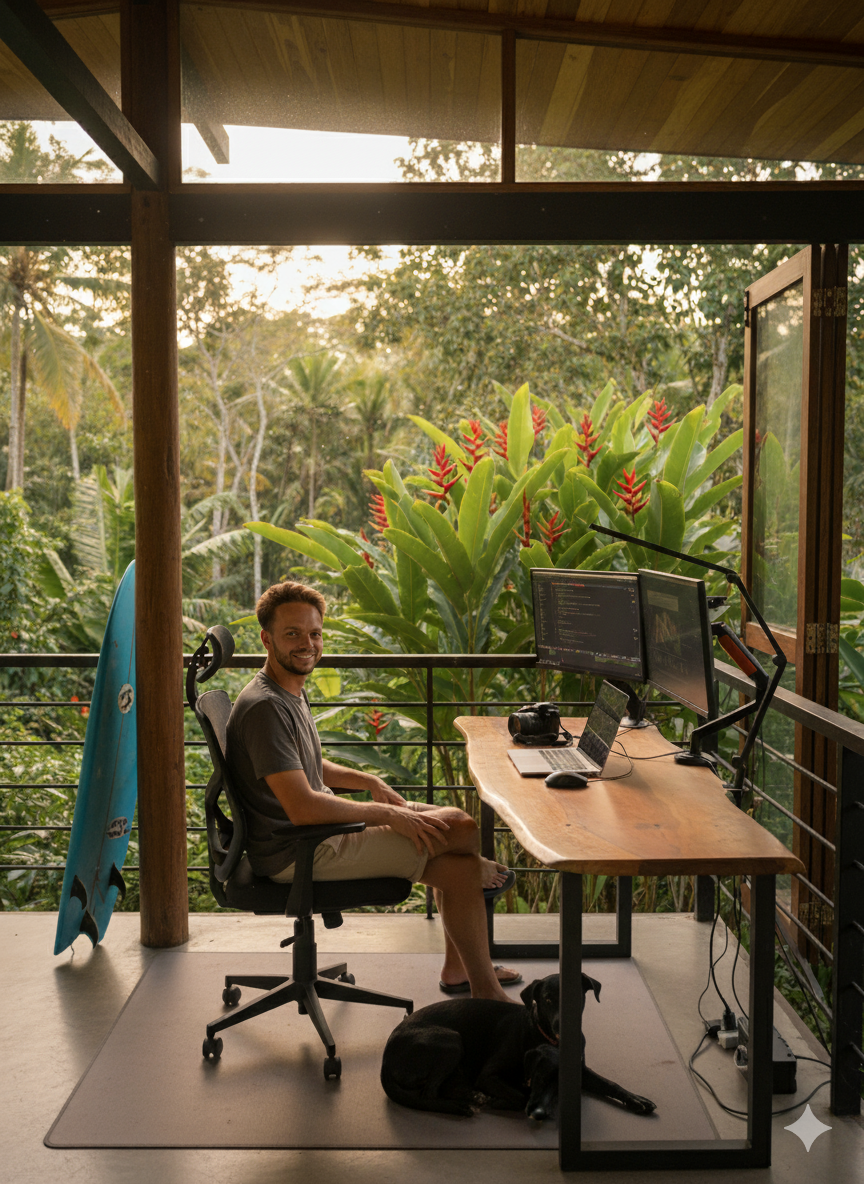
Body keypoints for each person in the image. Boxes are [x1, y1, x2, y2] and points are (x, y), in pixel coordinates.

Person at [226, 580, 521, 1002]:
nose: (307, 644)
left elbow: (302, 766)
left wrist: (370, 780)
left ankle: (465, 975)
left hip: (316, 833)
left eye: (315, 633)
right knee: (461, 830)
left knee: (459, 856)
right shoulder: (265, 708)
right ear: (266, 639)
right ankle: (488, 992)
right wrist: (388, 814)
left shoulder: (285, 689)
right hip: (302, 849)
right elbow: (303, 806)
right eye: (293, 634)